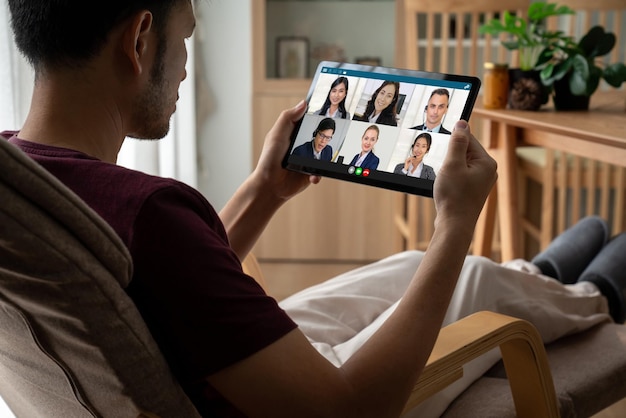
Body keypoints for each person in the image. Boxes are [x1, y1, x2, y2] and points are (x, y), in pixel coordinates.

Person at [4, 1, 626, 417]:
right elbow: (349, 410)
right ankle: (595, 292)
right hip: (280, 399)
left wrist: (263, 190)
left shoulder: (26, 182)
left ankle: (537, 275)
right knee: (466, 274)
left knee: (411, 262)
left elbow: (163, 285)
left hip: (218, 369)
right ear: (140, 39)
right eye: (187, 37)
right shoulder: (153, 210)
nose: (187, 67)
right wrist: (457, 224)